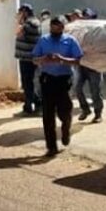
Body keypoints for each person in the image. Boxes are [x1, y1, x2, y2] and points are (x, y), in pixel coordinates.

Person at [32, 15, 83, 156]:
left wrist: (62, 60)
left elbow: (78, 60)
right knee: (48, 114)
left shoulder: (70, 40)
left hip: (64, 80)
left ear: (62, 28)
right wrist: (43, 59)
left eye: (57, 28)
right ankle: (51, 146)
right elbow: (34, 59)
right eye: (52, 28)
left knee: (65, 110)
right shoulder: (43, 40)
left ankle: (66, 129)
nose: (54, 31)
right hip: (47, 80)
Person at [74, 7, 104, 123]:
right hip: (82, 64)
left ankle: (98, 114)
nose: (84, 17)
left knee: (95, 91)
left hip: (95, 65)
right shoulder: (80, 30)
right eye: (83, 15)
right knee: (77, 88)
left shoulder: (99, 31)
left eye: (86, 16)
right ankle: (85, 109)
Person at [15, 3, 42, 116]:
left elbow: (17, 32)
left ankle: (29, 106)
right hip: (29, 57)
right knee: (29, 82)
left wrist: (19, 21)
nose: (18, 15)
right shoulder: (33, 22)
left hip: (28, 58)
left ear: (25, 12)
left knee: (27, 83)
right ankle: (36, 103)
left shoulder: (30, 24)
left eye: (20, 12)